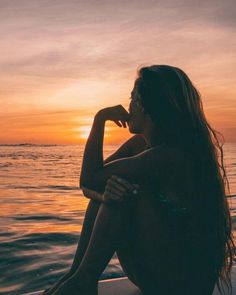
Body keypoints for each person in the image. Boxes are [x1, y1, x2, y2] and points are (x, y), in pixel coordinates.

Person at [43, 65, 235, 295]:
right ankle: (77, 277)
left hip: (182, 283)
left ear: (147, 105)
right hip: (161, 269)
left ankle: (82, 282)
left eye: (133, 98)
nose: (129, 106)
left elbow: (90, 177)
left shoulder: (170, 156)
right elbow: (91, 184)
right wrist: (104, 194)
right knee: (111, 190)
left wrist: (100, 118)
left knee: (126, 193)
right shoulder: (140, 146)